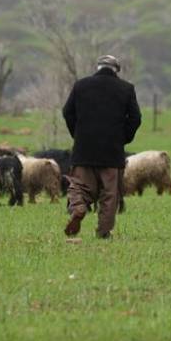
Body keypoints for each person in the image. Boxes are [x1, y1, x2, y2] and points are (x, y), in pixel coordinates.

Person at [61, 55, 141, 239]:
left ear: (98, 67)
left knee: (79, 186)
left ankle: (79, 206)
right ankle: (104, 232)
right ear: (116, 69)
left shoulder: (80, 85)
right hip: (112, 152)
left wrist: (78, 135)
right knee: (109, 194)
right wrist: (123, 138)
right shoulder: (126, 88)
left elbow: (67, 112)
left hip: (84, 149)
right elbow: (136, 118)